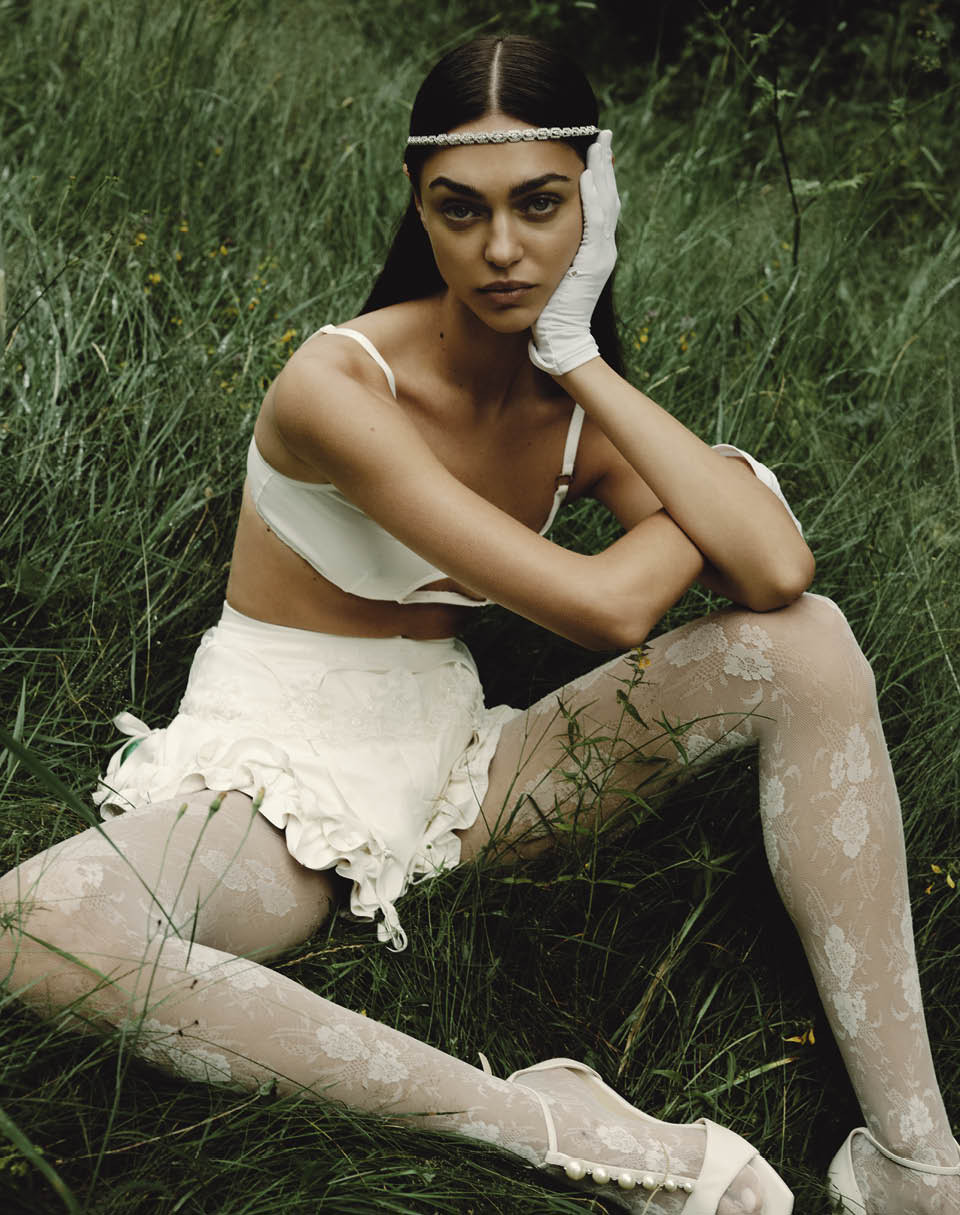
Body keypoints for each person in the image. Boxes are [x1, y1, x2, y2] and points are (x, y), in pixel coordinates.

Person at [1, 33, 956, 1215]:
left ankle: (914, 1162)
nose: (502, 248)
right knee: (39, 929)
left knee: (807, 644)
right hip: (276, 783)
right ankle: (551, 1126)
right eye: (462, 209)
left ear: (594, 209)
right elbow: (606, 604)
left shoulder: (570, 407)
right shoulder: (337, 387)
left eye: (541, 204)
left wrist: (582, 361)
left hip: (462, 772)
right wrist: (732, 484)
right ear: (421, 208)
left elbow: (777, 570)